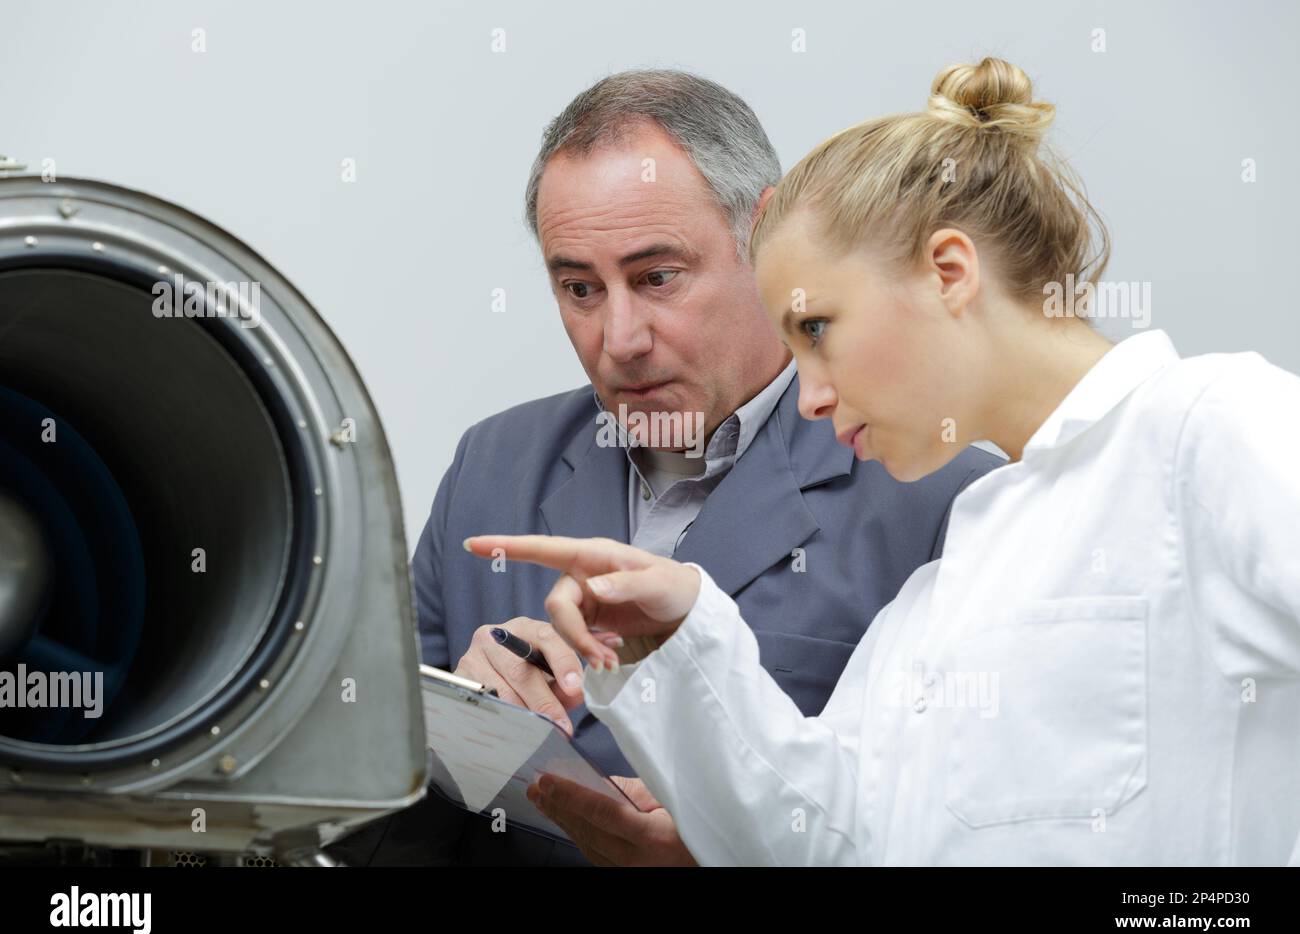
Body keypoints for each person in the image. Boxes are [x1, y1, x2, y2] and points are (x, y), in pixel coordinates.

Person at [464, 57, 1300, 865]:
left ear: (948, 274)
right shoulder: (955, 570)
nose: (812, 397)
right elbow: (823, 842)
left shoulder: (1209, 428)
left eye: (817, 330)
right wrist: (676, 638)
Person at [333, 69, 998, 866]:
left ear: (768, 237)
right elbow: (363, 810)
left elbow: (958, 836)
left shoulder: (943, 502)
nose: (619, 339)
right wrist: (461, 728)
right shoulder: (493, 464)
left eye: (656, 278)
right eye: (579, 287)